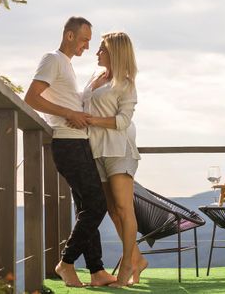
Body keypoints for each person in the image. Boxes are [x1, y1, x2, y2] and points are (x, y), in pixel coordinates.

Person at [24, 17, 116, 287]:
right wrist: (69, 113)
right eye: (85, 39)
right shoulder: (52, 59)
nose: (88, 46)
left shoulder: (66, 66)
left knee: (87, 207)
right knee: (97, 205)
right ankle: (66, 263)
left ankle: (97, 271)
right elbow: (31, 98)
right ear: (69, 35)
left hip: (79, 142)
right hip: (68, 144)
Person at [78, 31, 148, 286]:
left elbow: (122, 121)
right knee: (111, 209)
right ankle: (138, 259)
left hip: (119, 151)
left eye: (102, 49)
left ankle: (128, 263)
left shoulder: (126, 83)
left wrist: (90, 120)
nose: (96, 53)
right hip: (96, 150)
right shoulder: (95, 78)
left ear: (115, 53)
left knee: (123, 208)